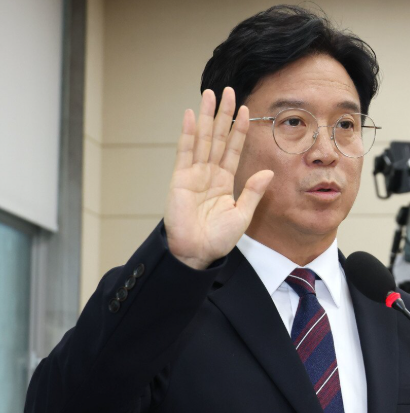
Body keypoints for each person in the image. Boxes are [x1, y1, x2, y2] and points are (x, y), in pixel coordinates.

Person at [25, 5, 410, 413]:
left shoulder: (393, 312)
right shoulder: (166, 305)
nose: (326, 152)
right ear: (229, 136)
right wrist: (181, 262)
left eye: (346, 125)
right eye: (294, 122)